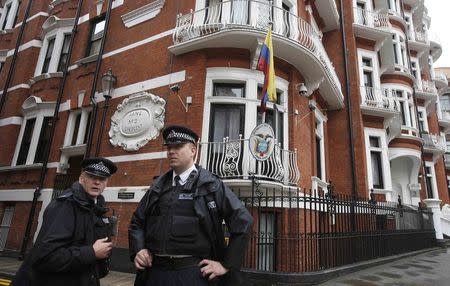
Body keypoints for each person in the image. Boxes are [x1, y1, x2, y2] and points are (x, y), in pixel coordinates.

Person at [128, 125, 253, 286]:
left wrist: (226, 264)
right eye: (169, 147)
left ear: (193, 150)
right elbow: (137, 222)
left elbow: (243, 220)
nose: (171, 151)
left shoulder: (210, 185)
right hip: (155, 273)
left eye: (178, 147)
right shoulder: (157, 187)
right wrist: (139, 249)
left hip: (193, 274)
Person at [12, 157, 117, 286]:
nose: (96, 182)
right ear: (81, 178)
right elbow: (45, 257)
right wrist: (92, 252)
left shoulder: (95, 208)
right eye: (91, 176)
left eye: (102, 179)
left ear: (106, 183)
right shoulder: (64, 206)